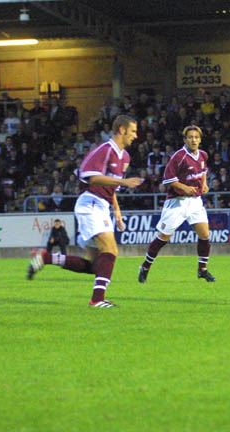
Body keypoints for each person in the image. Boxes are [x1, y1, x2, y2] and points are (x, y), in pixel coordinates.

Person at [27, 114, 143, 308]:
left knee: (97, 266)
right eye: (133, 131)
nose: (135, 136)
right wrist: (122, 181)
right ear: (122, 130)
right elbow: (91, 177)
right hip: (91, 204)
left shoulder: (125, 157)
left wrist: (117, 210)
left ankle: (46, 258)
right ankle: (97, 299)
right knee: (111, 250)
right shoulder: (104, 150)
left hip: (102, 206)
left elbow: (111, 188)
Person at [138, 125, 216, 284]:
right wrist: (185, 188)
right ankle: (145, 267)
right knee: (163, 238)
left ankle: (202, 270)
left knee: (205, 235)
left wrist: (204, 184)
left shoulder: (203, 155)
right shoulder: (178, 156)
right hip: (176, 203)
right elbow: (168, 180)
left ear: (200, 139)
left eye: (196, 137)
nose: (193, 140)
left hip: (195, 202)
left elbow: (203, 171)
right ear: (185, 139)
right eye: (190, 137)